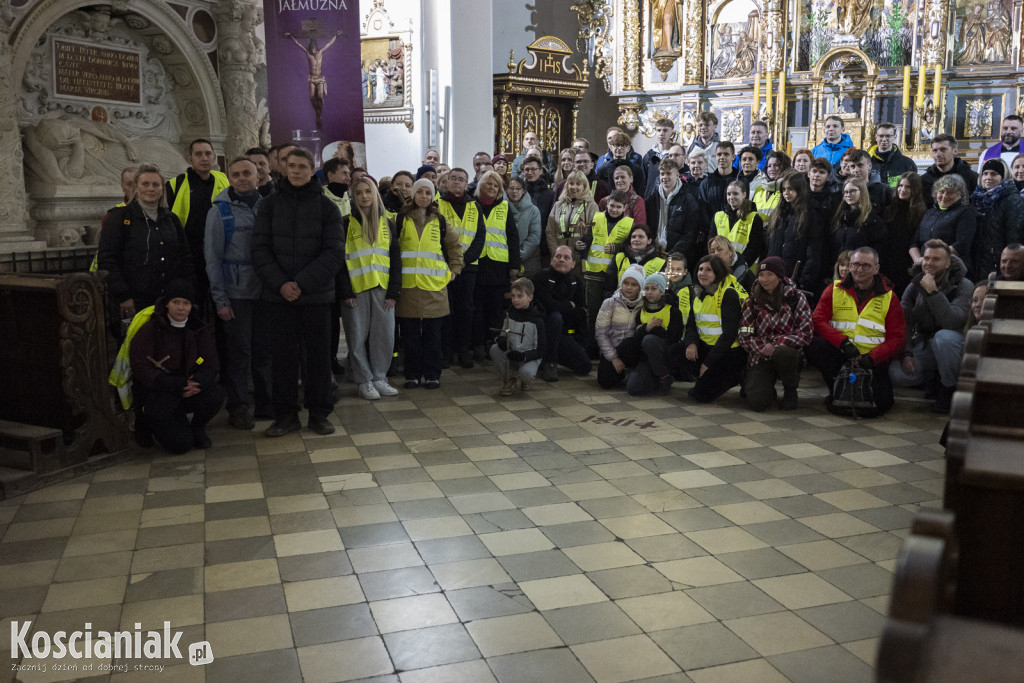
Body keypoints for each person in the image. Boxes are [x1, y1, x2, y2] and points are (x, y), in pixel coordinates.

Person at [252, 147, 344, 437]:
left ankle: (319, 414)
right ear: (283, 167)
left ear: (312, 168)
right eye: (291, 165)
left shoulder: (327, 208)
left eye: (302, 166)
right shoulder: (268, 205)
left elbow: (333, 253)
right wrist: (281, 284)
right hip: (279, 296)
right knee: (282, 359)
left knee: (317, 358)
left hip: (315, 296)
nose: (295, 171)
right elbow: (260, 249)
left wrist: (300, 284)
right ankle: (286, 415)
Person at [204, 156, 271, 429]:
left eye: (247, 173)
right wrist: (220, 300)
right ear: (229, 178)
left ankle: (266, 403)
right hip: (237, 294)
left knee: (264, 351)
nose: (242, 178)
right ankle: (239, 407)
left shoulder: (268, 207)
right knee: (239, 353)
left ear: (258, 176)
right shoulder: (219, 212)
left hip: (266, 293)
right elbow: (212, 258)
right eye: (236, 174)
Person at [806, 247, 906, 416]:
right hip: (842, 353)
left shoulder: (890, 297)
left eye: (866, 265)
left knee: (882, 404)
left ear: (876, 269)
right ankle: (836, 389)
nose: (859, 269)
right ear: (849, 266)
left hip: (872, 360)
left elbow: (897, 337)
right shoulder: (834, 289)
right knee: (814, 345)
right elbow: (817, 320)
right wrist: (843, 343)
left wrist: (873, 358)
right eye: (856, 264)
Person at [129, 279, 224, 454]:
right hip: (162, 392)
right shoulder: (151, 329)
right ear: (167, 304)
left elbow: (206, 359)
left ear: (191, 306)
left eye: (186, 303)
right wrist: (172, 384)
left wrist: (198, 380)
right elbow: (141, 366)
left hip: (188, 386)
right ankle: (147, 423)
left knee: (215, 394)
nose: (181, 308)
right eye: (176, 302)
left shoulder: (198, 329)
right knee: (180, 445)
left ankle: (197, 428)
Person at [98, 164, 192, 328]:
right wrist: (123, 296)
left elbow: (184, 256)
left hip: (165, 300)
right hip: (133, 300)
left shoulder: (171, 219)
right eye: (145, 184)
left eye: (156, 185)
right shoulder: (119, 218)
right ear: (136, 187)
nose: (151, 189)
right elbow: (107, 259)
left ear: (162, 189)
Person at [337, 176, 402, 401]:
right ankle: (363, 380)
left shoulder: (388, 223)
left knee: (384, 335)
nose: (364, 196)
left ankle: (379, 377)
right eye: (359, 192)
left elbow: (395, 259)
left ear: (375, 194)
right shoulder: (345, 223)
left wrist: (394, 292)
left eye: (368, 191)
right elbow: (340, 261)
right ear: (353, 197)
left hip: (383, 289)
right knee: (356, 337)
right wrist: (345, 291)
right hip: (355, 291)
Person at [395, 178, 464, 389]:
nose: (424, 196)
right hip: (407, 288)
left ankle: (433, 374)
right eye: (420, 192)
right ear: (413, 194)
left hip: (434, 288)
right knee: (411, 336)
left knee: (433, 336)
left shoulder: (440, 221)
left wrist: (455, 269)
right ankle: (412, 374)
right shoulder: (400, 219)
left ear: (432, 196)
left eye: (428, 192)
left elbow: (454, 247)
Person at [889, 240, 971, 413]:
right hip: (925, 344)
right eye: (926, 258)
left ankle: (949, 388)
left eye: (936, 259)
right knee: (896, 374)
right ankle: (933, 377)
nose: (929, 263)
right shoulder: (914, 285)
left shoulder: (964, 285)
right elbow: (905, 322)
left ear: (948, 263)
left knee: (944, 338)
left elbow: (952, 322)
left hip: (954, 345)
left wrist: (933, 293)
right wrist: (907, 353)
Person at [737, 256, 813, 411]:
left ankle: (790, 389)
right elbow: (744, 336)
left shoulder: (796, 298)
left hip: (788, 354)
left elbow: (806, 333)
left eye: (769, 275)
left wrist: (776, 344)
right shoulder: (751, 301)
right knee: (757, 402)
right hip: (760, 355)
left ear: (780, 276)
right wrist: (764, 347)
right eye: (761, 275)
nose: (764, 279)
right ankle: (764, 386)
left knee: (784, 353)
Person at [679, 255, 748, 402]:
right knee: (675, 352)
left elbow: (729, 335)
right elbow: (692, 324)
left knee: (700, 395)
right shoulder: (697, 291)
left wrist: (707, 364)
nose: (702, 273)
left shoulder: (728, 294)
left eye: (708, 270)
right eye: (700, 269)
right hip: (708, 347)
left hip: (730, 352)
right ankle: (701, 376)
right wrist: (691, 343)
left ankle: (743, 375)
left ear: (718, 272)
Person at [469, 171, 521, 360]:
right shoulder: (471, 205)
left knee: (496, 308)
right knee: (477, 307)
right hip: (477, 262)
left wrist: (515, 265)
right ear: (480, 185)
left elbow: (513, 237)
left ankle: (493, 343)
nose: (492, 188)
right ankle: (478, 344)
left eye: (496, 186)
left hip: (499, 265)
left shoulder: (504, 207)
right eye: (488, 184)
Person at [438, 167, 485, 368]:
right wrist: (451, 263)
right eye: (453, 179)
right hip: (444, 268)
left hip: (468, 268)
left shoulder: (476, 206)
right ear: (447, 182)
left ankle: (464, 351)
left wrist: (462, 262)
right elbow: (435, 237)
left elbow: (480, 237)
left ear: (467, 185)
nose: (457, 182)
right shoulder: (437, 205)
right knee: (446, 311)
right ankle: (447, 352)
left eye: (461, 180)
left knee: (466, 310)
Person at [580, 191, 634, 343]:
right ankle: (592, 346)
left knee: (612, 314)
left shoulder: (630, 223)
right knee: (593, 311)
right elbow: (587, 240)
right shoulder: (596, 217)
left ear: (624, 208)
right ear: (607, 203)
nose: (614, 209)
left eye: (618, 207)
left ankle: (609, 347)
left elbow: (631, 247)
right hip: (593, 272)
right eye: (612, 206)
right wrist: (580, 248)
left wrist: (617, 247)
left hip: (615, 275)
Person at [532, 246, 591, 381]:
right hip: (542, 332)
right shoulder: (541, 277)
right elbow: (547, 305)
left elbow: (581, 310)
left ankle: (549, 356)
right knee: (555, 317)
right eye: (558, 256)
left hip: (564, 333)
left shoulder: (576, 281)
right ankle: (549, 362)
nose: (561, 260)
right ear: (552, 260)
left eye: (566, 257)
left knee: (585, 366)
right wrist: (567, 305)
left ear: (573, 264)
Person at [765, 172, 825, 295]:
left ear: (800, 190)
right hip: (775, 279)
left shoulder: (811, 214)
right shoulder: (778, 214)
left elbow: (814, 251)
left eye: (790, 189)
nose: (786, 192)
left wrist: (804, 280)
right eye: (784, 189)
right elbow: (771, 246)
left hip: (797, 281)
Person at [625, 272, 683, 395]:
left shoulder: (673, 311)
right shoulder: (641, 312)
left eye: (653, 288)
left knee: (649, 340)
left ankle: (664, 376)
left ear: (661, 291)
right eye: (646, 288)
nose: (649, 292)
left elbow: (674, 338)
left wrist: (651, 329)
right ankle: (653, 378)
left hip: (664, 356)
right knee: (633, 388)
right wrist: (647, 327)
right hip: (645, 358)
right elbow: (636, 340)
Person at [646, 158, 707, 267]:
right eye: (662, 174)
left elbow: (690, 234)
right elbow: (647, 228)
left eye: (669, 173)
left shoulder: (688, 200)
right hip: (654, 253)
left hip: (678, 256)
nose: (665, 177)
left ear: (677, 175)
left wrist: (671, 255)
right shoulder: (651, 199)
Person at [911, 174, 977, 274]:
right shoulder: (929, 213)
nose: (944, 196)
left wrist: (932, 259)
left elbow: (962, 244)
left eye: (950, 192)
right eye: (941, 192)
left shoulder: (966, 213)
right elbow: (914, 243)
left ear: (960, 195)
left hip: (952, 270)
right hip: (924, 268)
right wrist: (918, 260)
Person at [490, 278, 546, 396]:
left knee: (526, 373)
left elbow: (541, 349)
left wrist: (524, 356)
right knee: (494, 349)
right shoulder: (507, 314)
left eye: (520, 296)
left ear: (530, 297)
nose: (515, 300)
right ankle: (510, 378)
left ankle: (526, 380)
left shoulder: (537, 320)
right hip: (511, 353)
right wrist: (500, 340)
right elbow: (498, 333)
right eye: (513, 296)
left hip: (528, 356)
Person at [970, 159, 1024, 281]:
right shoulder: (976, 199)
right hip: (979, 261)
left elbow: (1015, 235)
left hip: (1001, 262)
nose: (988, 177)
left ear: (1003, 177)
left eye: (994, 174)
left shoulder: (1012, 200)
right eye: (985, 173)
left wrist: (1008, 262)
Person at [594, 265, 645, 389]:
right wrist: (613, 358)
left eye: (634, 284)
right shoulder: (609, 303)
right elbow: (601, 333)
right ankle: (623, 373)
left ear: (640, 287)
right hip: (613, 349)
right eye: (626, 283)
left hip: (633, 350)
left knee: (628, 344)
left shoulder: (645, 304)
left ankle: (636, 371)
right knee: (605, 381)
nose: (628, 287)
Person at [881, 172, 926, 295]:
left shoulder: (921, 212)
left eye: (908, 187)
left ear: (915, 190)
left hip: (908, 261)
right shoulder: (889, 209)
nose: (903, 189)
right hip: (889, 260)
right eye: (900, 185)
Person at [546, 170, 599, 260]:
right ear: (567, 185)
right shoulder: (558, 205)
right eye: (571, 183)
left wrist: (578, 251)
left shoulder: (592, 206)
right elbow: (550, 232)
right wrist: (557, 253)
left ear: (584, 187)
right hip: (558, 257)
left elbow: (592, 233)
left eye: (578, 184)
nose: (574, 187)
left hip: (579, 258)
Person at [830, 177, 886, 262]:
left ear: (862, 192)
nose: (848, 194)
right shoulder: (839, 217)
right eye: (846, 192)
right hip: (840, 269)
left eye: (852, 191)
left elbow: (878, 251)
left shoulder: (873, 220)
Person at [715, 179, 765, 268]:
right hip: (720, 266)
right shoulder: (718, 216)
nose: (731, 197)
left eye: (735, 193)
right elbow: (712, 242)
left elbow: (755, 248)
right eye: (729, 194)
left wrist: (739, 265)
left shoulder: (754, 218)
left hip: (744, 268)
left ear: (744, 194)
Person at [605, 224, 668, 294]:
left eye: (641, 237)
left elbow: (661, 290)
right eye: (633, 237)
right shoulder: (619, 258)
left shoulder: (659, 263)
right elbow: (609, 287)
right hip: (619, 302)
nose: (636, 239)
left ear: (649, 241)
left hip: (645, 303)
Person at [921, 134, 979, 203]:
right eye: (935, 150)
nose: (938, 154)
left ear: (955, 151)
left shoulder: (972, 177)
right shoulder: (924, 180)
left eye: (943, 150)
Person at [507, 177, 542, 277]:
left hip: (528, 260)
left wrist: (516, 257)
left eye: (518, 188)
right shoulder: (500, 207)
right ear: (506, 190)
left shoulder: (533, 210)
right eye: (511, 188)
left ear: (523, 191)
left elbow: (534, 237)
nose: (515, 191)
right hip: (504, 258)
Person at [869, 122, 916, 188]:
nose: (884, 139)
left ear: (895, 137)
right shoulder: (868, 162)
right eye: (881, 136)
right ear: (876, 137)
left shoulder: (907, 163)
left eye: (888, 136)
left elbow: (913, 188)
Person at [698, 142, 739, 217]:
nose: (722, 157)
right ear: (715, 156)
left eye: (726, 154)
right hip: (711, 227)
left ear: (733, 157)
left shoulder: (740, 180)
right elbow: (702, 211)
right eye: (719, 154)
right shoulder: (706, 183)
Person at [643, 118, 677, 197]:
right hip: (652, 197)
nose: (661, 134)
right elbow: (643, 181)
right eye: (658, 130)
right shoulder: (649, 156)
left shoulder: (676, 154)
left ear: (672, 133)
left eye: (665, 130)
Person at [521, 156, 555, 231]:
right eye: (527, 169)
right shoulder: (519, 192)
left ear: (541, 171)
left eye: (533, 169)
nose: (530, 172)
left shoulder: (550, 195)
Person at [752, 152, 791, 218]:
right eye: (769, 166)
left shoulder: (788, 189)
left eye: (776, 165)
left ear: (784, 167)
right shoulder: (759, 189)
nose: (772, 169)